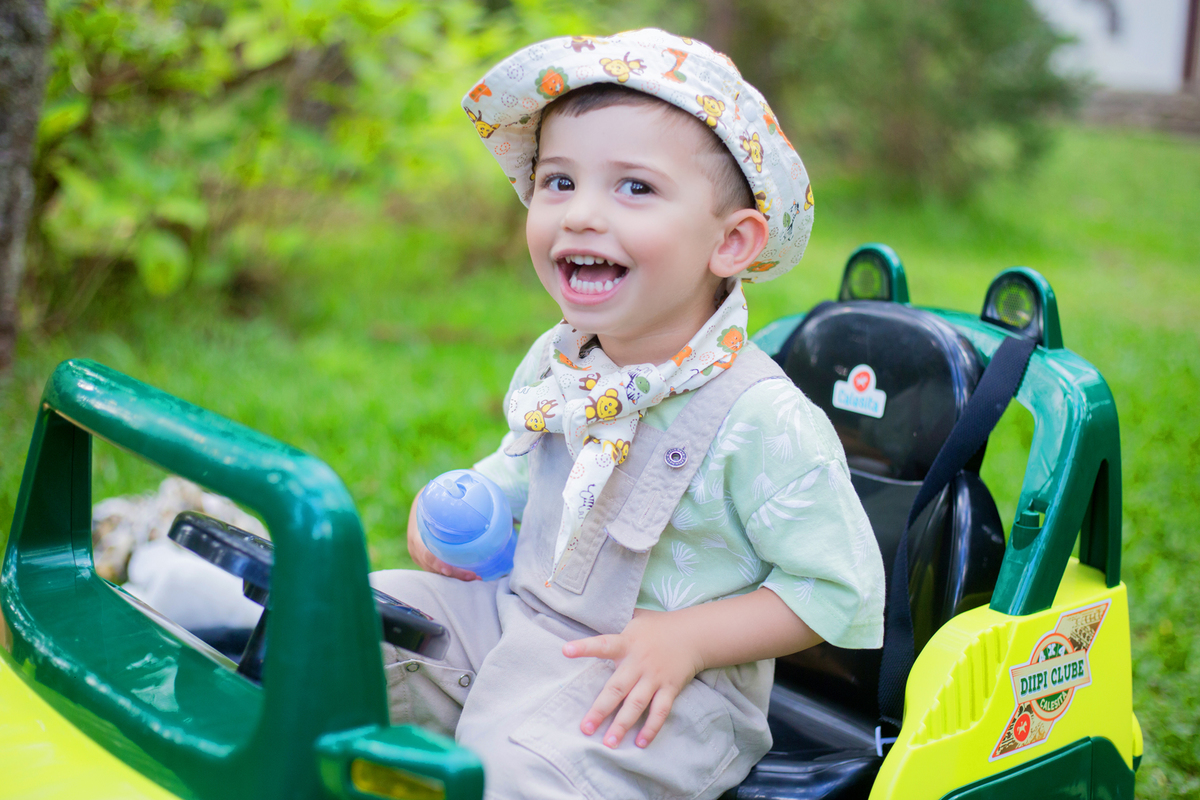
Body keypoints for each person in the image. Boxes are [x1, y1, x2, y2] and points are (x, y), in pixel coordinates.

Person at [370, 28, 886, 800]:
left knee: (519, 766)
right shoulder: (566, 362)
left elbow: (838, 589)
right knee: (362, 624)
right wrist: (463, 505)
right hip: (522, 620)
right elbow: (521, 471)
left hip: (667, 687)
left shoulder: (761, 416)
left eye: (634, 187)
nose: (580, 214)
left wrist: (688, 638)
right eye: (558, 182)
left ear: (731, 242)